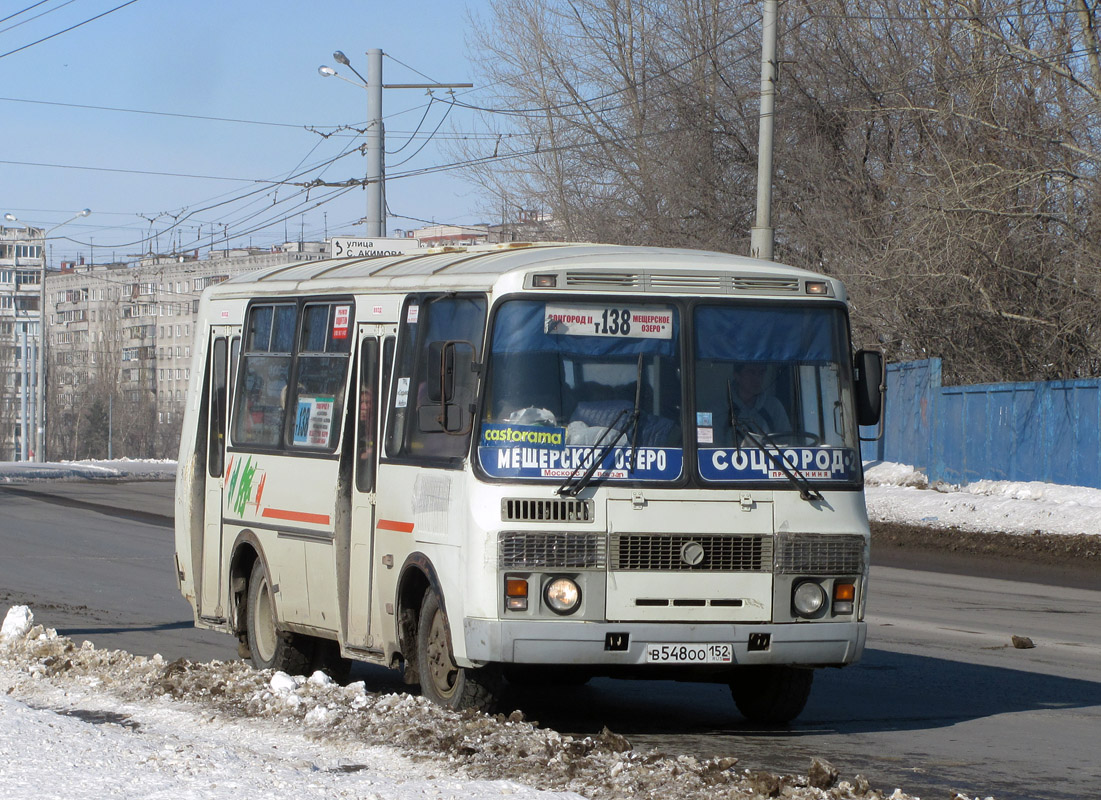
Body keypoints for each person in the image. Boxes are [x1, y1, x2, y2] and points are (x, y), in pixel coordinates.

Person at [729, 363, 790, 434]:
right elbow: (715, 443)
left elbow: (786, 440)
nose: (757, 379)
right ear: (737, 376)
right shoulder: (721, 408)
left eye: (761, 373)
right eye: (751, 372)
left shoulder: (774, 406)